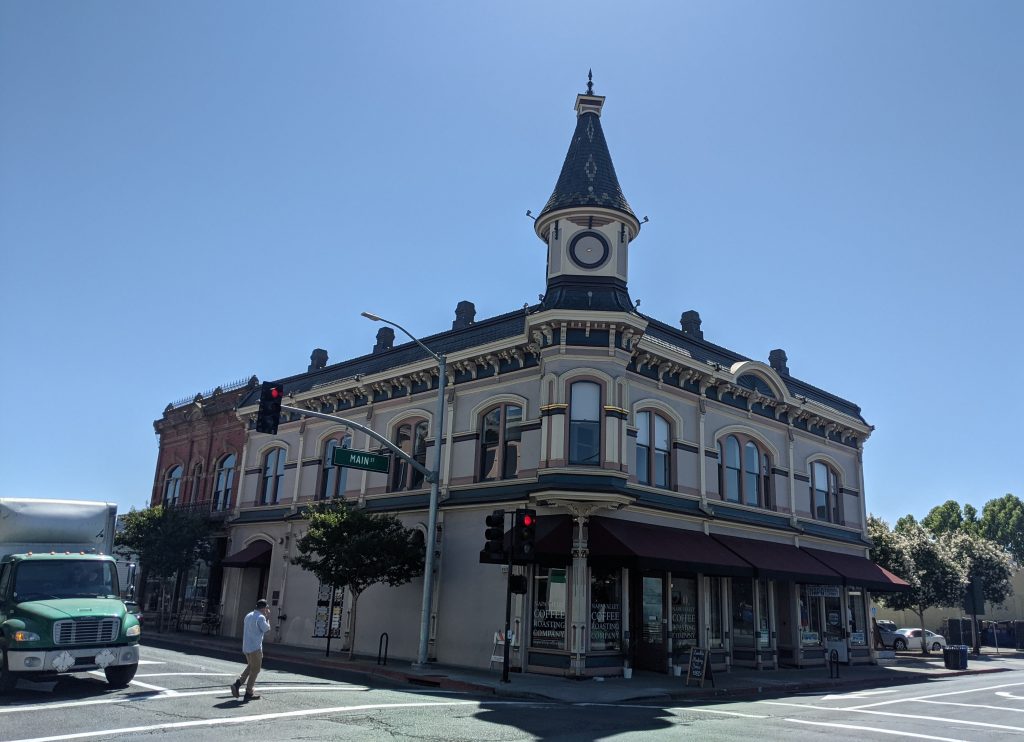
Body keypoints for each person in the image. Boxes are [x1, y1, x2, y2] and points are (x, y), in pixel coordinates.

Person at [230, 598, 272, 701]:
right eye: (266, 608)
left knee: (251, 667)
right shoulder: (261, 617)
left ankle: (238, 683)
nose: (267, 609)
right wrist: (267, 618)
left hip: (246, 647)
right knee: (255, 670)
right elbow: (266, 629)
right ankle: (248, 692)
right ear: (263, 608)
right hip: (255, 648)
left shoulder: (248, 615)